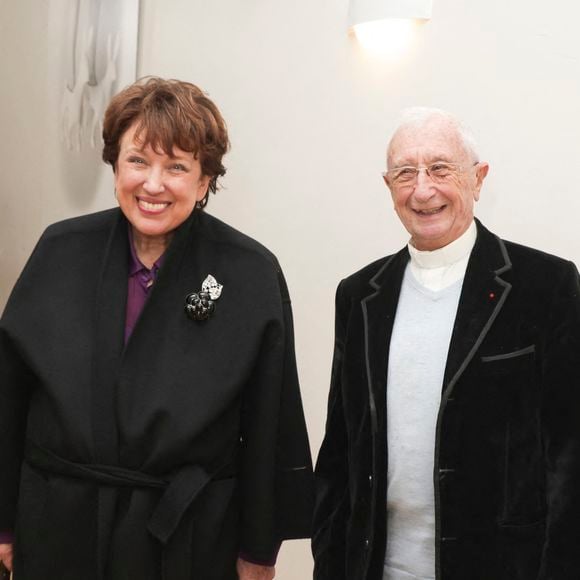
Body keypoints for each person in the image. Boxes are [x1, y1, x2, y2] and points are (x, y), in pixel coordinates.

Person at [0, 77, 313, 580]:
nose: (152, 184)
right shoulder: (60, 252)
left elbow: (267, 421)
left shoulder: (247, 272)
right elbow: (8, 399)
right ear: (115, 165)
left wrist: (259, 549)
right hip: (59, 526)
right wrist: (5, 527)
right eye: (138, 161)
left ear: (204, 180)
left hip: (188, 539)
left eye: (176, 167)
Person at [312, 107, 580, 579]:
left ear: (477, 179)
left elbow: (569, 455)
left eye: (440, 169)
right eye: (405, 173)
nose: (422, 189)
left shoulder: (547, 286)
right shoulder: (359, 296)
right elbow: (339, 456)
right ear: (388, 186)